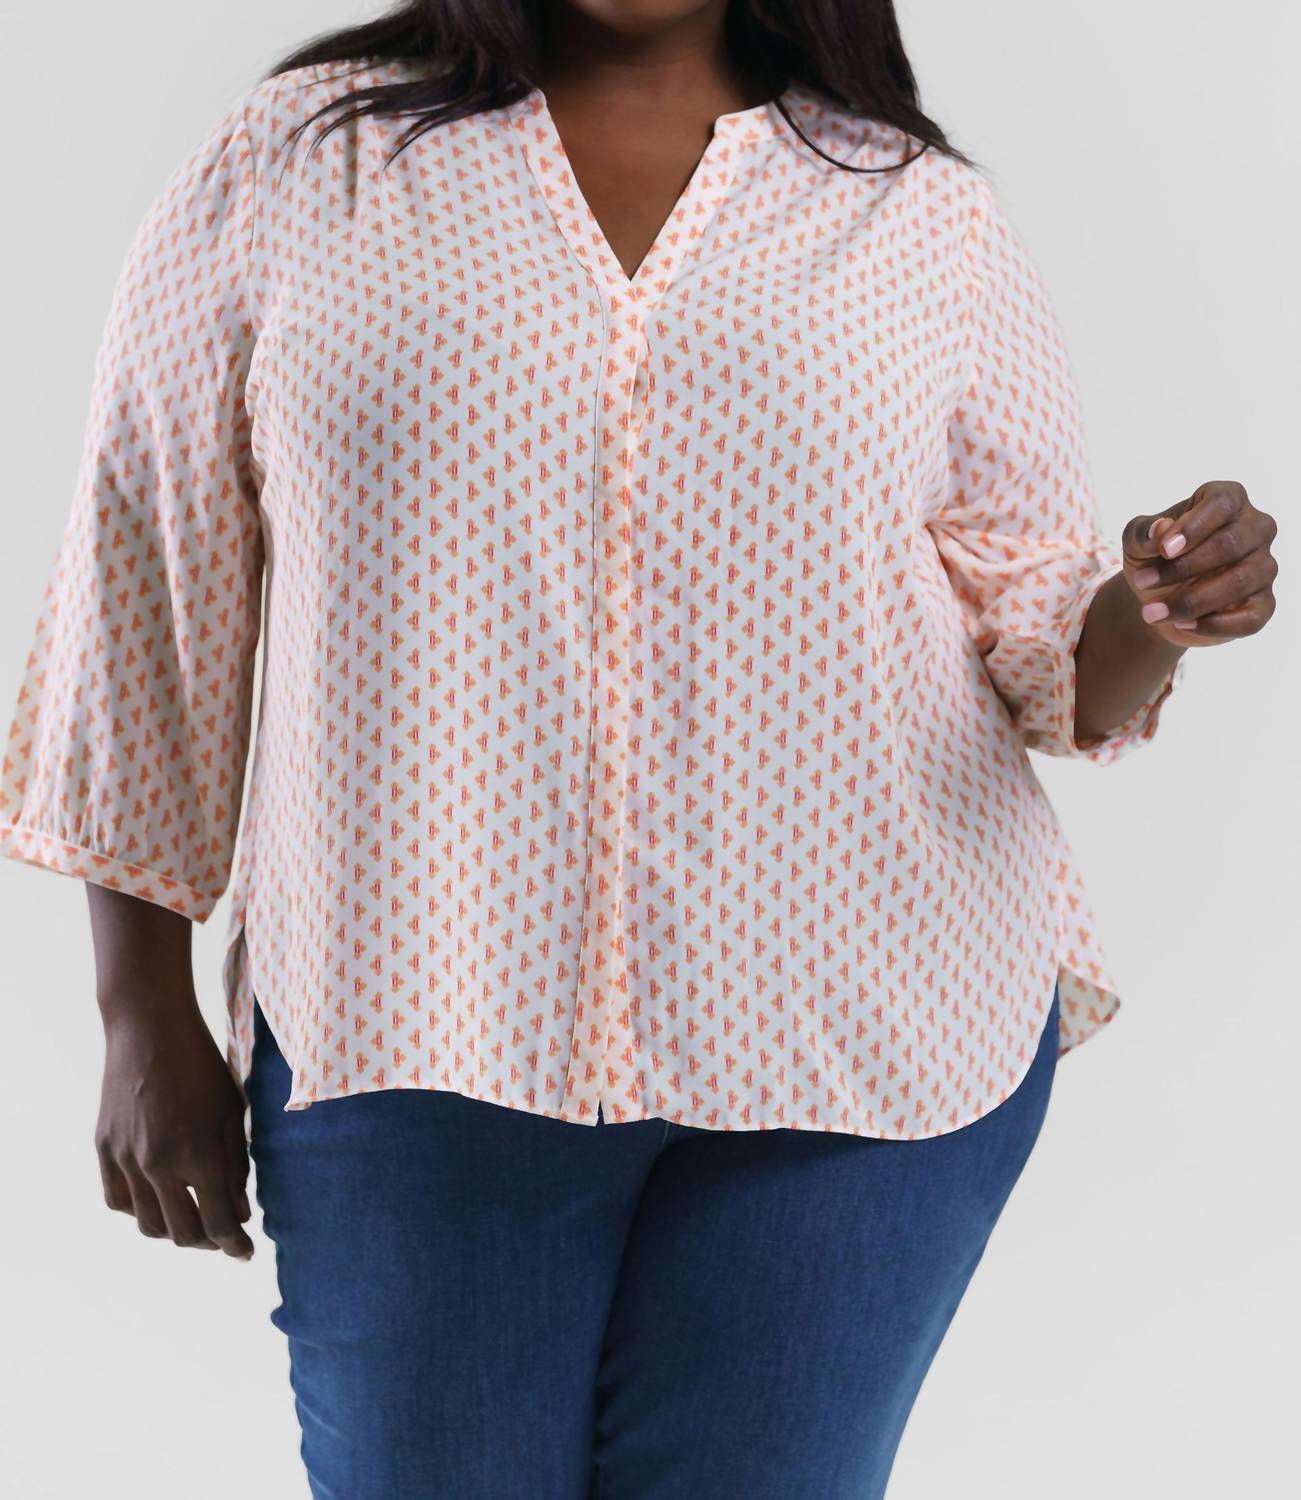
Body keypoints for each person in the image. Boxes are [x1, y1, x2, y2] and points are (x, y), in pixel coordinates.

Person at [0, 2, 1280, 1496]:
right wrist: (140, 1006)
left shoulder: (920, 211)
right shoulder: (296, 163)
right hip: (419, 1025)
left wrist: (1153, 607)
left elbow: (1039, 631)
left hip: (866, 1040)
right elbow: (150, 567)